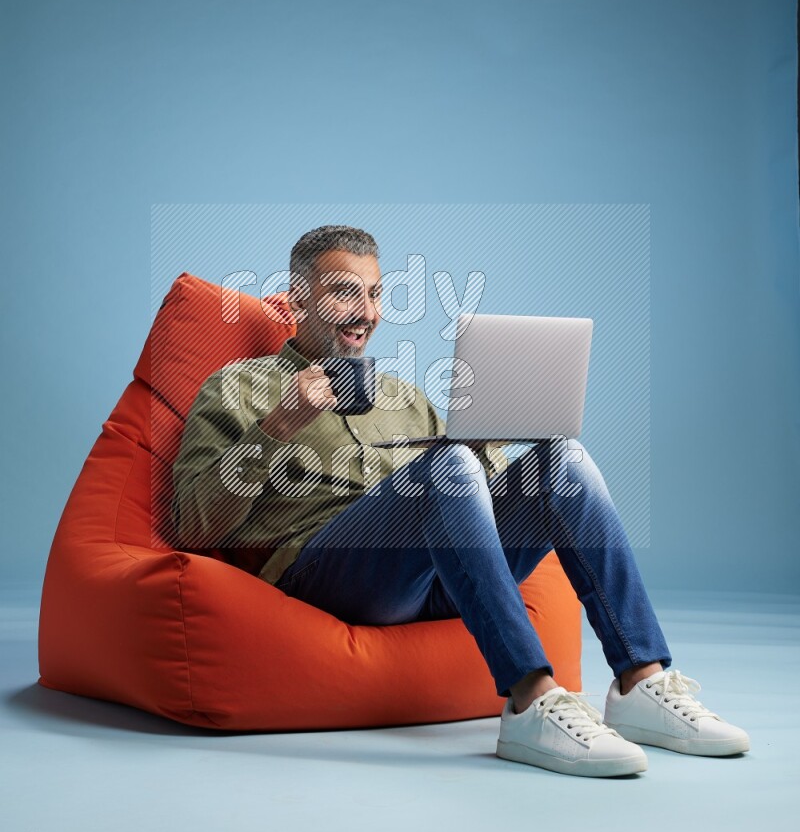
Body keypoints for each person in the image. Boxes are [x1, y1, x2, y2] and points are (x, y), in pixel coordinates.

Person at [171, 224, 750, 777]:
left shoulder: (404, 395)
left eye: (375, 295)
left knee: (562, 460)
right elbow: (192, 525)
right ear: (297, 300)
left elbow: (480, 496)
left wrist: (486, 443)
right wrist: (280, 423)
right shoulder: (238, 387)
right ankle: (530, 700)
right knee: (445, 467)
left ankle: (640, 681)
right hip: (331, 575)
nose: (368, 314)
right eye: (345, 294)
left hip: (441, 577)